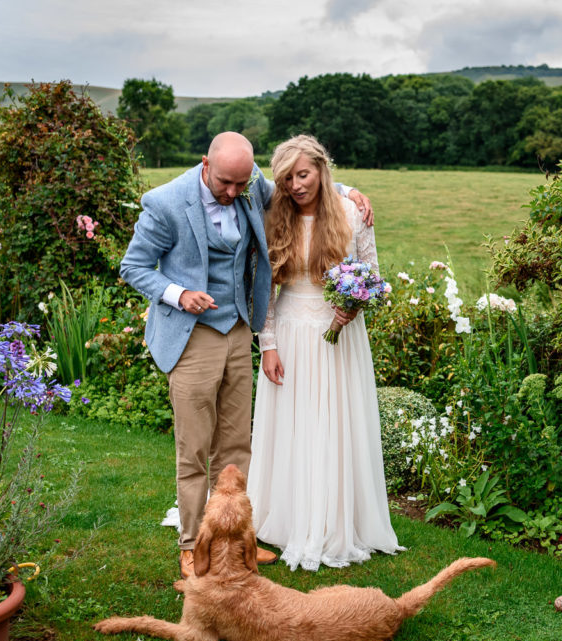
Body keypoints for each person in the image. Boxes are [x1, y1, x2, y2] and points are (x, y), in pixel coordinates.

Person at [120, 132, 372, 579]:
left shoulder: (247, 182)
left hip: (237, 329)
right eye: (225, 185)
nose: (235, 193)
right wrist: (178, 294)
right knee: (195, 447)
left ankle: (237, 542)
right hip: (191, 333)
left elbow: (299, 183)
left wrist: (344, 190)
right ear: (205, 164)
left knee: (237, 446)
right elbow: (133, 266)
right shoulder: (164, 203)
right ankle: (192, 543)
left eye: (241, 185)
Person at [249, 135, 403, 572]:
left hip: (340, 336)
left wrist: (351, 308)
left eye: (304, 174)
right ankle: (289, 516)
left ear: (321, 169)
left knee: (335, 422)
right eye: (288, 178)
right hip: (291, 333)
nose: (297, 185)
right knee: (294, 424)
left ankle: (337, 519)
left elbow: (373, 275)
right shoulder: (273, 217)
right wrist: (269, 346)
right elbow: (265, 289)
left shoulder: (354, 213)